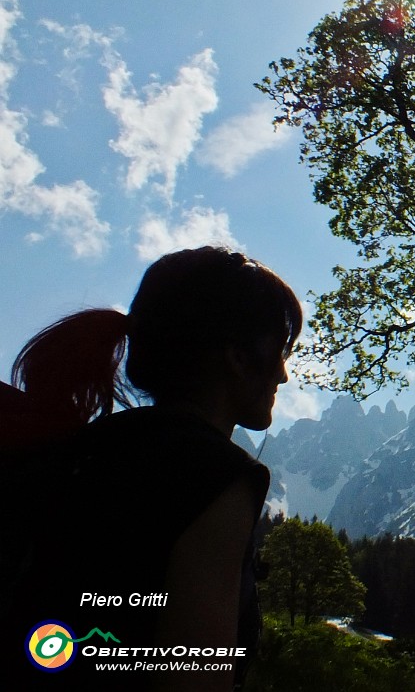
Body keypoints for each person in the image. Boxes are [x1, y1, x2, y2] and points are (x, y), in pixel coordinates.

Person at [1, 247, 302, 690]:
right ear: (237, 356)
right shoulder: (215, 474)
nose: (283, 376)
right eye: (281, 352)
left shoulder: (89, 447)